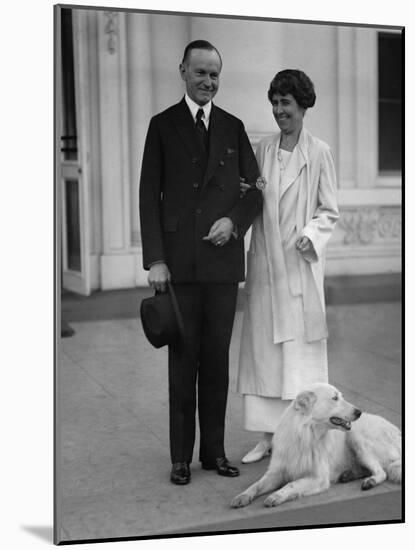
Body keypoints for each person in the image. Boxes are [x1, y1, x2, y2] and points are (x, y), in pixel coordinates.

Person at [139, 40, 263, 484]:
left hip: (222, 267)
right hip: (179, 268)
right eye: (200, 73)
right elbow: (147, 195)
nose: (208, 81)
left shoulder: (232, 126)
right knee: (182, 362)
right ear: (183, 72)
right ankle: (180, 458)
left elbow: (255, 189)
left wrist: (234, 220)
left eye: (215, 74)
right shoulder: (162, 125)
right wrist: (155, 258)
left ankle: (214, 453)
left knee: (215, 362)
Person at [237, 69, 339, 464]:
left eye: (287, 103)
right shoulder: (262, 150)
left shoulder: (319, 153)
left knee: (298, 358)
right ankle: (267, 436)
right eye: (275, 102)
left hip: (298, 268)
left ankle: (301, 436)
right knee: (264, 356)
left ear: (303, 106)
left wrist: (311, 235)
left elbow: (329, 209)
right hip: (266, 267)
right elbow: (249, 197)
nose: (280, 110)